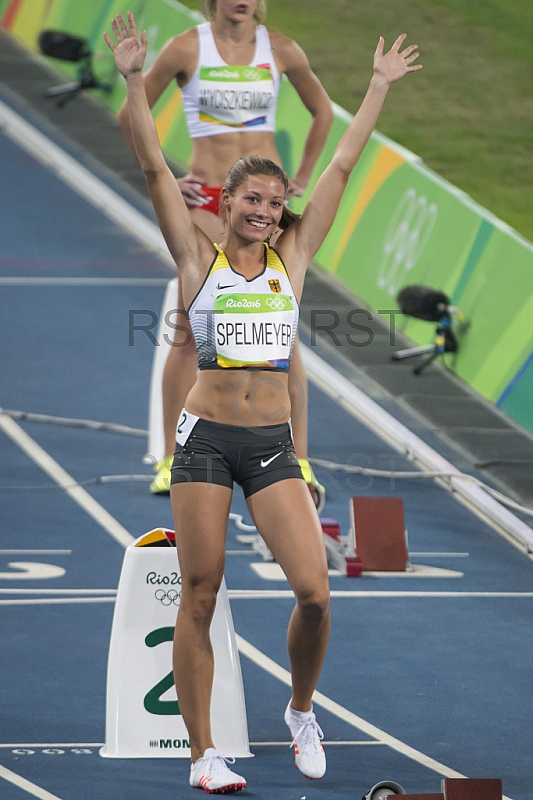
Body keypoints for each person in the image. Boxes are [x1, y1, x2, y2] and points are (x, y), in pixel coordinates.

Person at [105, 12, 421, 793]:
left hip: (274, 446)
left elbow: (342, 162)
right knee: (202, 591)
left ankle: (301, 710)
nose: (263, 213)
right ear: (230, 202)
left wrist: (375, 90)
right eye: (251, 201)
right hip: (207, 443)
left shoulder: (294, 259)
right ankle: (203, 754)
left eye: (274, 204)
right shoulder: (195, 257)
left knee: (314, 594)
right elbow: (151, 167)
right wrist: (129, 84)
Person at [117, 0, 333, 505]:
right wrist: (172, 180)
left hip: (262, 209)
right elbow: (131, 114)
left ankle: (298, 459)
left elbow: (322, 111)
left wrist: (300, 177)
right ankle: (174, 457)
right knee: (190, 332)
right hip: (210, 204)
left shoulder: (280, 49)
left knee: (283, 335)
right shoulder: (187, 47)